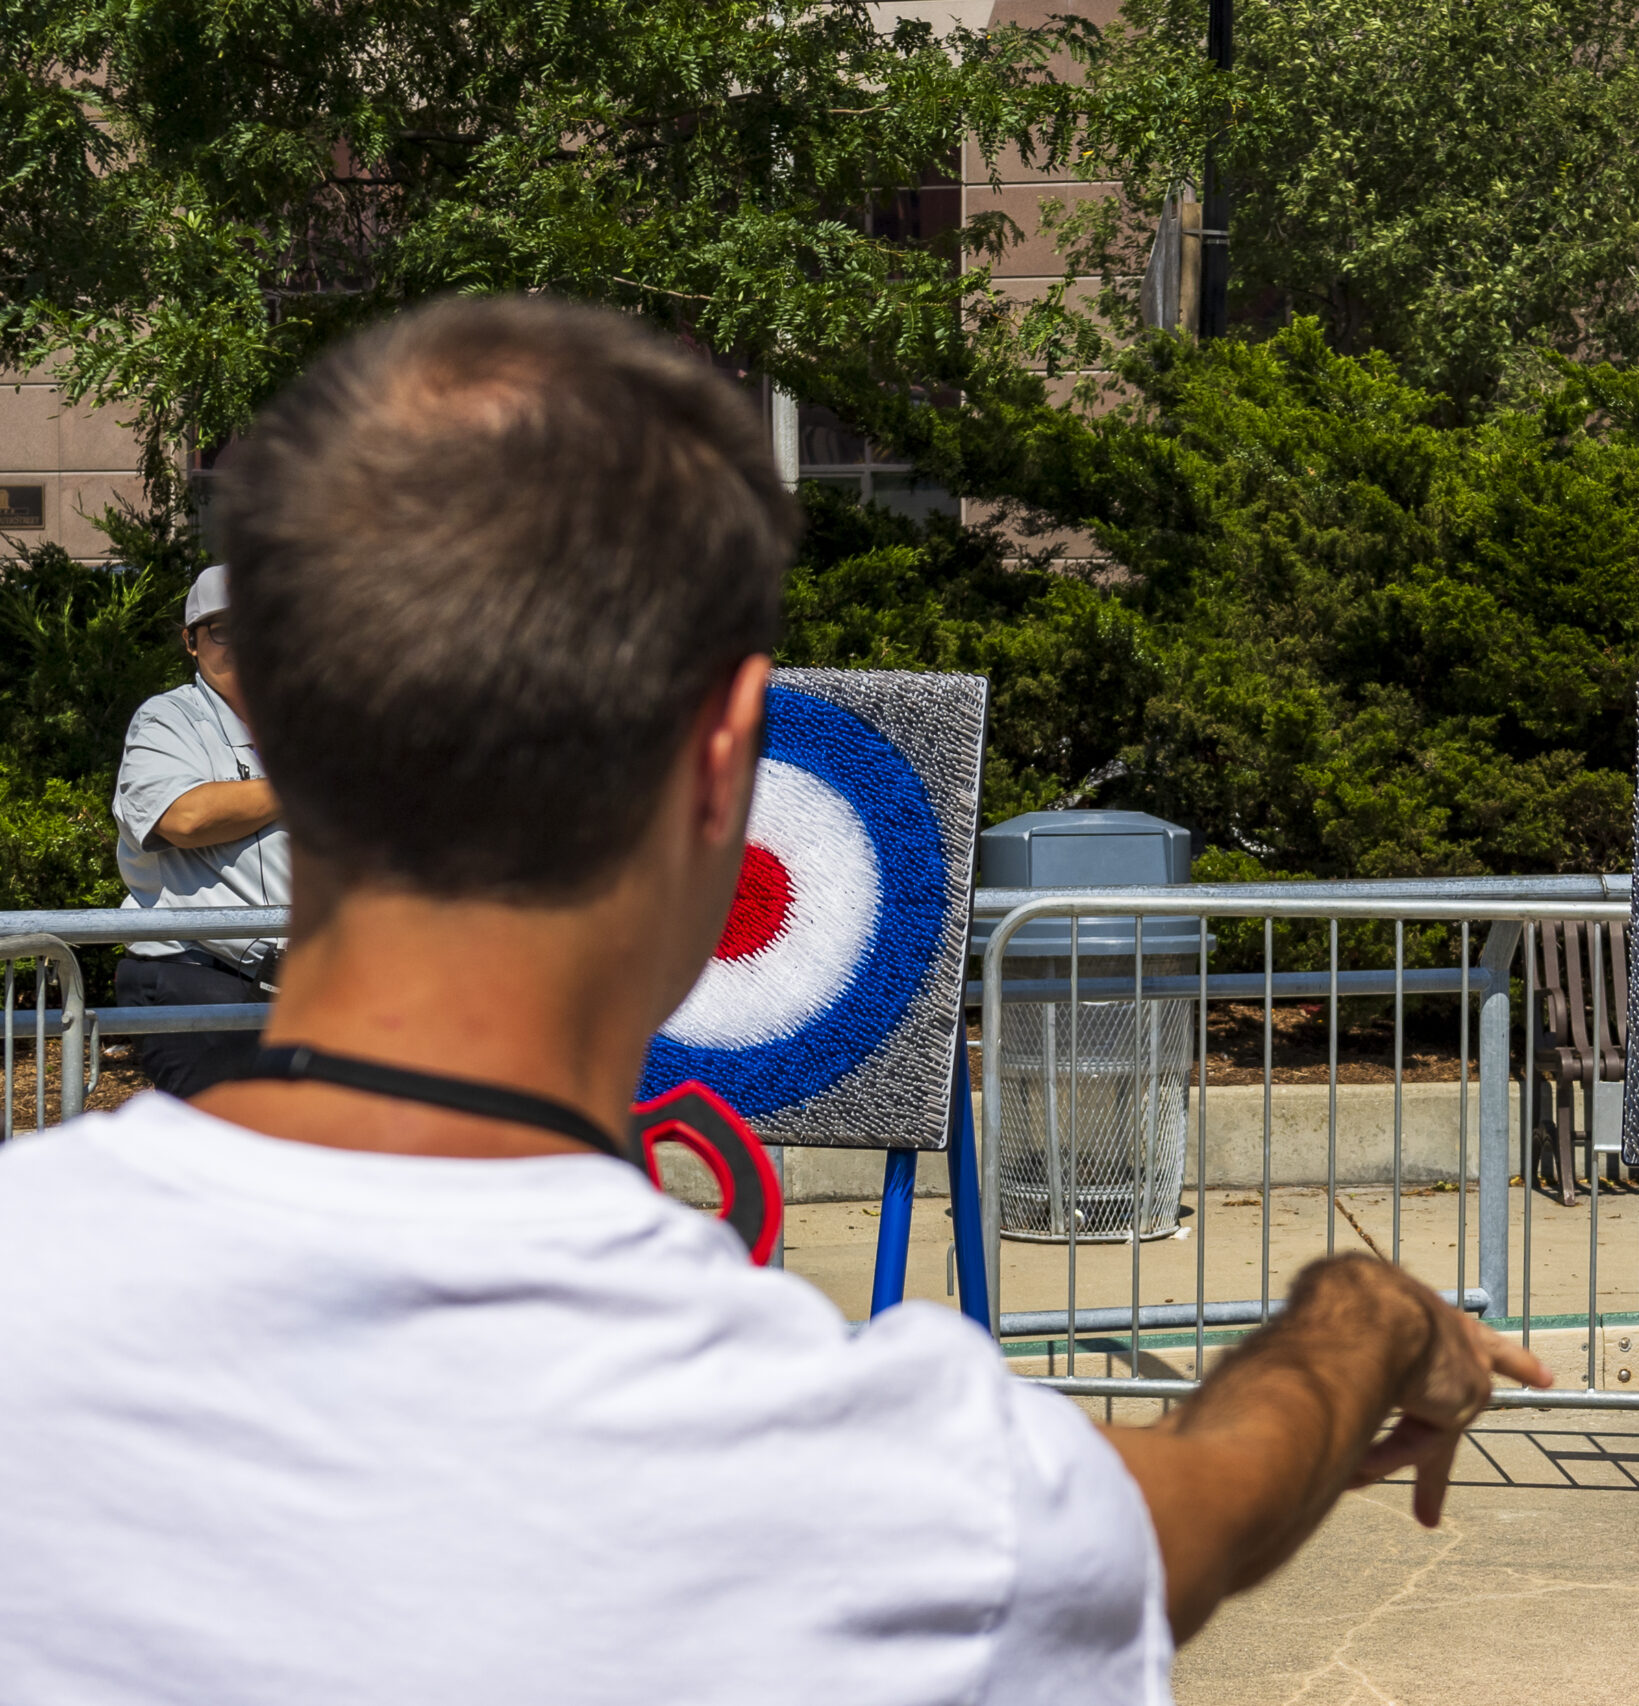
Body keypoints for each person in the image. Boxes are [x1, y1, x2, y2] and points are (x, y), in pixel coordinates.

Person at [0, 296, 1548, 1703]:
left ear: (286, 715)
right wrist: (1363, 1323)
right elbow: (1198, 1507)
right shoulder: (885, 1481)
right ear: (731, 751)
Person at [112, 561, 290, 1095]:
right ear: (190, 641)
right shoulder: (170, 719)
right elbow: (182, 817)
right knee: (223, 1160)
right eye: (222, 628)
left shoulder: (311, 723)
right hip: (199, 979)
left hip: (308, 984)